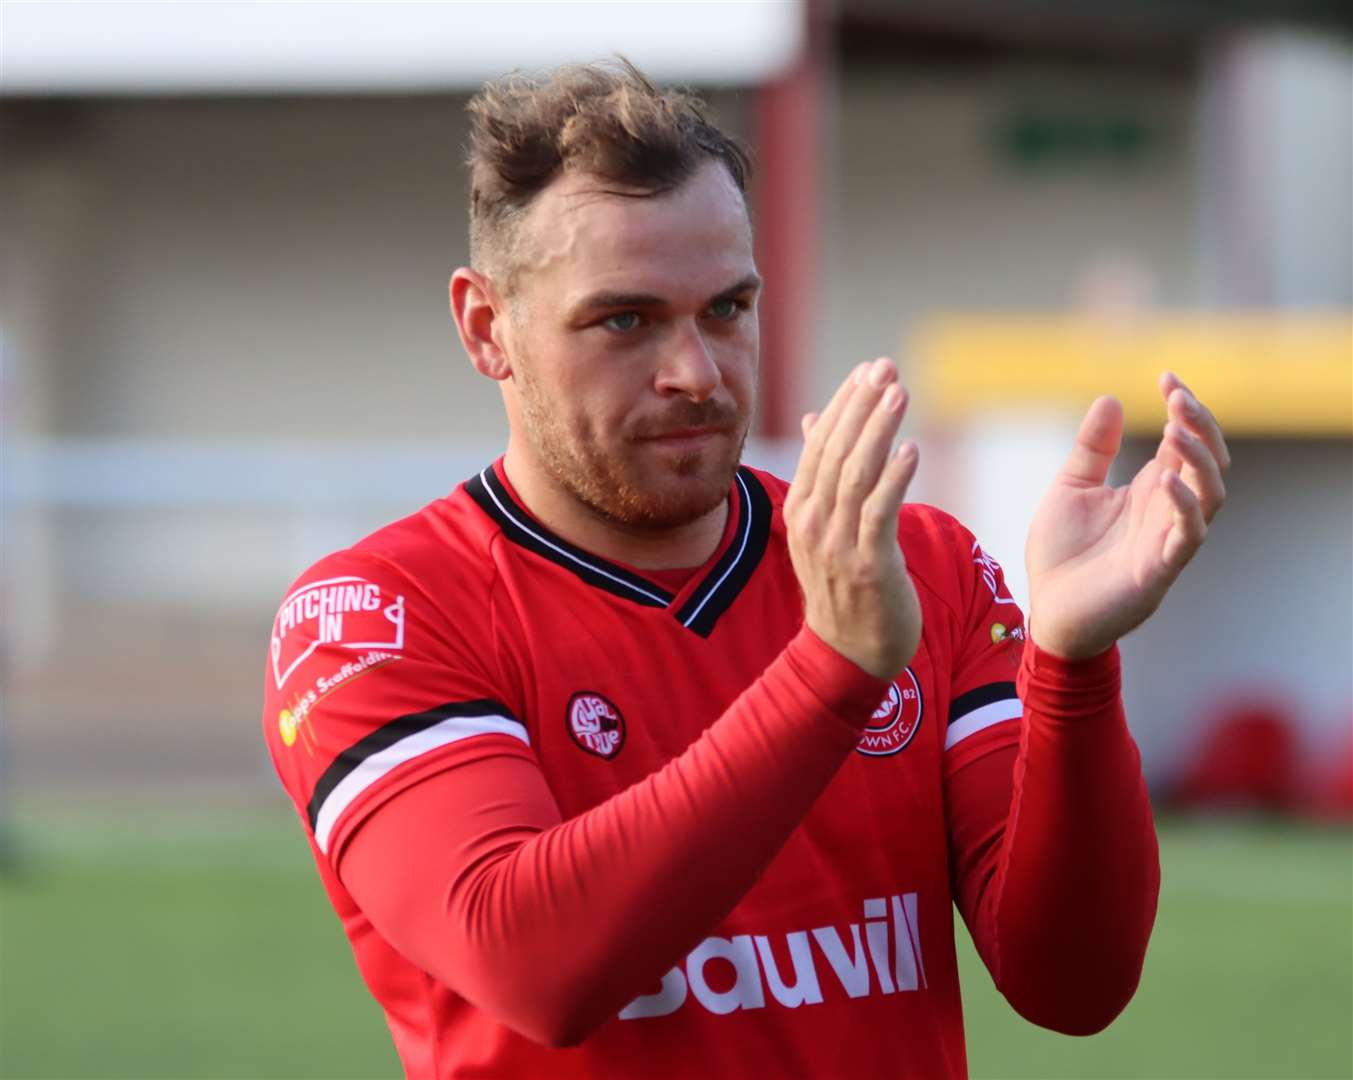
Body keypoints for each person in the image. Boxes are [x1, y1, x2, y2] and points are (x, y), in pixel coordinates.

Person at [262, 60, 1229, 1078]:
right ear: (485, 328)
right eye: (624, 320)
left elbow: (1074, 985)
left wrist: (1072, 667)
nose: (697, 372)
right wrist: (833, 673)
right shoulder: (377, 613)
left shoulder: (919, 568)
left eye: (726, 308)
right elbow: (533, 963)